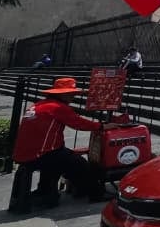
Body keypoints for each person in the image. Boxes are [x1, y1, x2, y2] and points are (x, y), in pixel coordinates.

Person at [10, 77, 101, 212]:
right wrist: (101, 126)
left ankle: (46, 192)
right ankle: (94, 192)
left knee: (60, 158)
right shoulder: (58, 108)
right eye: (71, 94)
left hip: (24, 153)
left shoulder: (37, 106)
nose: (73, 97)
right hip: (43, 153)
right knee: (80, 164)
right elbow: (79, 123)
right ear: (62, 94)